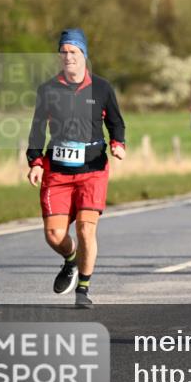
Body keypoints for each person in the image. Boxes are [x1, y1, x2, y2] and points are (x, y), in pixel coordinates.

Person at [27, 29, 126, 308]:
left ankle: (83, 290)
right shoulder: (48, 89)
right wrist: (35, 161)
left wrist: (118, 143)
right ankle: (70, 260)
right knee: (54, 235)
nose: (68, 56)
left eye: (74, 51)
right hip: (57, 170)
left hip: (92, 168)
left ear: (84, 54)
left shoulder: (102, 88)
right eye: (64, 52)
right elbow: (37, 129)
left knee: (85, 228)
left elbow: (116, 122)